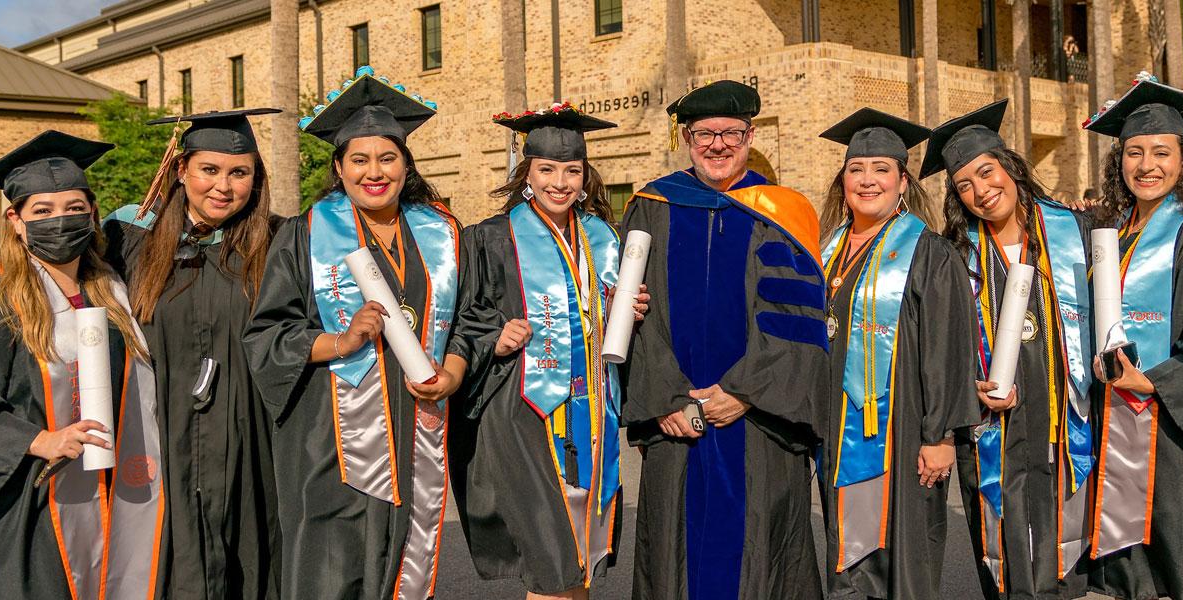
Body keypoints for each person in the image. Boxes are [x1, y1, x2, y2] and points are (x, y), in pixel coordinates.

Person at [242, 70, 472, 599]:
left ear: (406, 166)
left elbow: (471, 317)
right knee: (330, 564)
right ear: (340, 169)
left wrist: (454, 372)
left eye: (387, 158)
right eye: (360, 160)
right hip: (330, 438)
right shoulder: (302, 236)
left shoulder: (445, 233)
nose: (375, 172)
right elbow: (267, 334)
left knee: (405, 562)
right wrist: (340, 341)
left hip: (419, 423)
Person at [0, 131, 165, 599]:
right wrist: (39, 439)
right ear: (15, 219)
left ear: (92, 212)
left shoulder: (113, 289)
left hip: (116, 487)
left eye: (73, 208)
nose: (61, 221)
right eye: (42, 212)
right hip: (28, 501)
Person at [618, 80, 831, 600]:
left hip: (757, 421)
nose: (717, 145)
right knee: (675, 553)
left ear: (750, 134)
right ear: (687, 138)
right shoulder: (651, 206)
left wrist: (744, 391)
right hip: (677, 421)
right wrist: (665, 397)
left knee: (762, 554)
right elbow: (629, 315)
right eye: (704, 134)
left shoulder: (783, 214)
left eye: (730, 133)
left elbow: (799, 319)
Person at [449, 105, 650, 600]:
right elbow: (459, 321)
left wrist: (628, 310)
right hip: (523, 414)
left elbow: (601, 319)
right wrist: (494, 339)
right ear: (527, 173)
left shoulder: (603, 238)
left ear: (585, 177)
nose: (559, 182)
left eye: (571, 171)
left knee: (577, 559)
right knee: (551, 557)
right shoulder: (489, 240)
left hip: (593, 414)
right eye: (547, 170)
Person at [923, 100, 1100, 600]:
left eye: (987, 171)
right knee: (1003, 552)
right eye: (964, 185)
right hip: (990, 423)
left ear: (1010, 167)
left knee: (1063, 541)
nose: (981, 191)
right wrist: (968, 386)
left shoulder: (1073, 231)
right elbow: (937, 343)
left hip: (1062, 416)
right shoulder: (952, 255)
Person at [102, 109, 282, 600]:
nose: (223, 186)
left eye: (239, 172)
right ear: (181, 170)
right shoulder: (127, 240)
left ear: (255, 178)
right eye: (209, 169)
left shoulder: (282, 242)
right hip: (158, 433)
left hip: (249, 435)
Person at [1082, 75, 1183, 600]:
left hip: (1176, 425)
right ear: (1118, 161)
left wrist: (1150, 380)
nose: (1146, 165)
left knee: (1179, 558)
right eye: (1133, 152)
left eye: (1160, 152)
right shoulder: (1112, 235)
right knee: (1130, 563)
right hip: (1118, 415)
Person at [812, 107, 979, 599]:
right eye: (856, 170)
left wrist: (943, 435)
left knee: (903, 559)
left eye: (881, 170)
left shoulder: (929, 253)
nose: (867, 181)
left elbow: (950, 348)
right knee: (848, 557)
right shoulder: (826, 250)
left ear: (903, 182)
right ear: (841, 181)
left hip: (906, 433)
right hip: (839, 432)